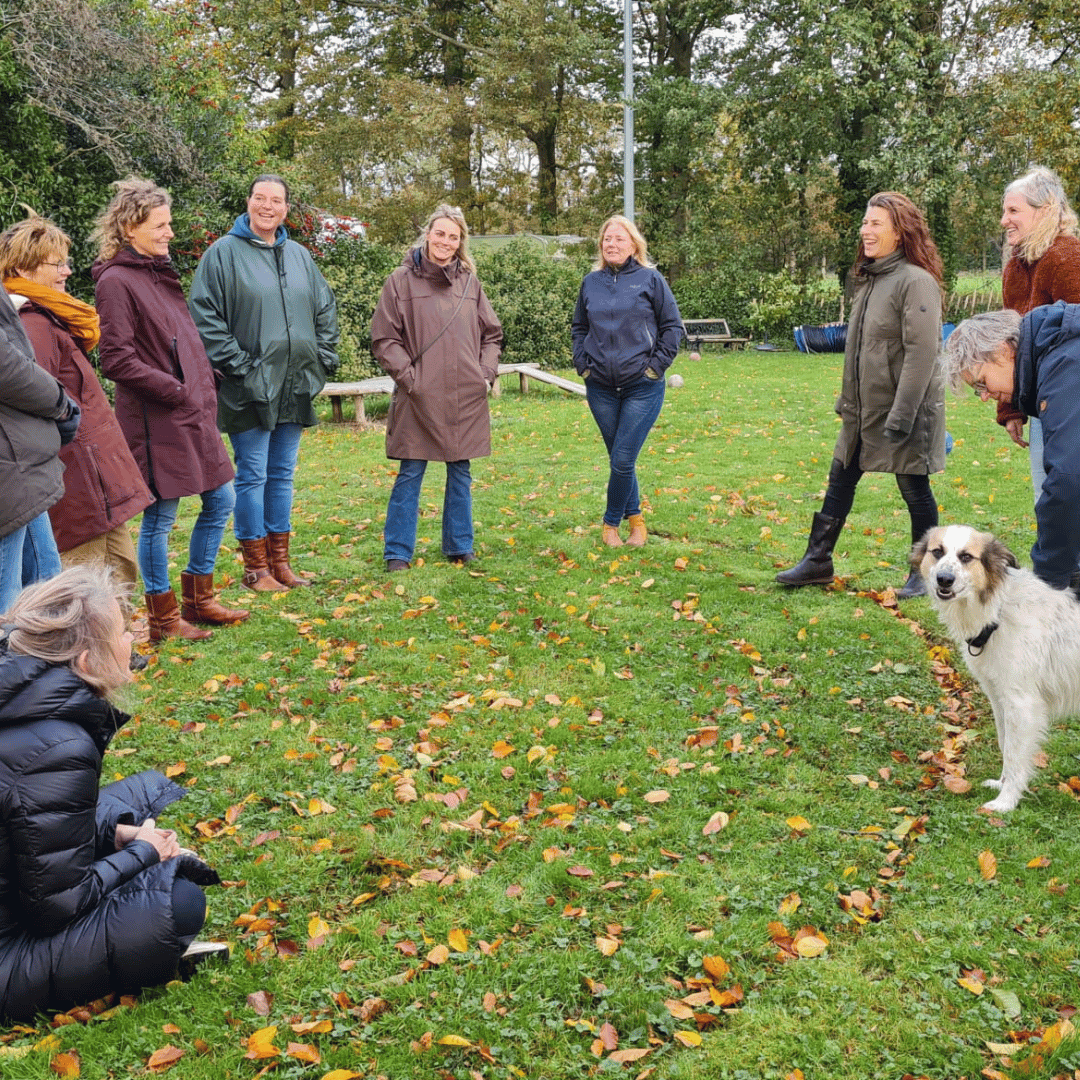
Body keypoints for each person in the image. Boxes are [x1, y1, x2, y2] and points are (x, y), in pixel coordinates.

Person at [0, 566, 222, 1021]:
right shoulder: (59, 746)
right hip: (7, 952)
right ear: (85, 662)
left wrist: (112, 835)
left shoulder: (20, 695)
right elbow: (58, 908)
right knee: (178, 903)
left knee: (133, 799)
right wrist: (142, 854)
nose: (132, 644)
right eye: (123, 633)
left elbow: (25, 817)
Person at [92, 178, 247, 642]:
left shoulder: (157, 272)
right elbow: (116, 359)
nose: (170, 233)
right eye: (161, 225)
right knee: (160, 516)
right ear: (130, 227)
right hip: (156, 418)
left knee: (222, 498)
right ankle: (163, 619)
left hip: (191, 410)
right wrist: (177, 389)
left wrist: (203, 380)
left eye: (169, 223)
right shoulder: (117, 281)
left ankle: (199, 598)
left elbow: (180, 341)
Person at [776, 192, 946, 598]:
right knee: (840, 478)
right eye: (865, 223)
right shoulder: (872, 279)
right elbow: (860, 349)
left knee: (913, 488)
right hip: (862, 411)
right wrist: (846, 402)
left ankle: (925, 573)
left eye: (875, 224)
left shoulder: (916, 282)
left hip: (901, 411)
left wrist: (902, 415)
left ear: (899, 233)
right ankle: (818, 561)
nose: (865, 231)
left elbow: (922, 354)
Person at [189, 174, 340, 591]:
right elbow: (205, 319)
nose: (267, 206)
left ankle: (282, 563)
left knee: (283, 474)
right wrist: (243, 367)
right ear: (248, 202)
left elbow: (325, 308)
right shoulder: (222, 255)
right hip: (248, 387)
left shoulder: (299, 256)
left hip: (296, 384)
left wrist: (321, 360)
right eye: (260, 198)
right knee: (253, 474)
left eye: (276, 200)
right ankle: (256, 567)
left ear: (287, 209)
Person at [1, 209, 153, 594]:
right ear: (22, 269)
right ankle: (94, 654)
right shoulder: (33, 324)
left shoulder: (52, 316)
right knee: (81, 589)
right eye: (57, 264)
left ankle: (118, 649)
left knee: (118, 574)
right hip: (76, 485)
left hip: (97, 477)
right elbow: (34, 405)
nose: (67, 271)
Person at [370, 203, 503, 571]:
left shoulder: (470, 283)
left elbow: (492, 334)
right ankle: (398, 552)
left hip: (465, 394)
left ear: (460, 243)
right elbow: (384, 338)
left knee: (460, 471)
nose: (445, 241)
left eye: (453, 236)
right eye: (440, 233)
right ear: (428, 234)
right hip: (419, 395)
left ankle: (459, 545)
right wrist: (412, 381)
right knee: (410, 473)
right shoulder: (399, 281)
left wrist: (485, 374)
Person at [940, 303, 1080, 589]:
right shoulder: (1056, 356)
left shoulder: (1064, 367)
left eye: (981, 383)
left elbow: (1067, 479)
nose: (984, 396)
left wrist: (1048, 581)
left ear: (1003, 350)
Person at [571, 215, 682, 548]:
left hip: (642, 387)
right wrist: (583, 366)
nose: (612, 244)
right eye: (607, 239)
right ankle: (636, 522)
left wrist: (654, 369)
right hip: (601, 387)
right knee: (622, 458)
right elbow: (579, 327)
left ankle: (609, 525)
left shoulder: (650, 279)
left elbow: (673, 328)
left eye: (619, 239)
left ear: (634, 245)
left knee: (621, 459)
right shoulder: (590, 282)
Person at [995, 167, 1080, 496]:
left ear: (1046, 210)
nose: (1004, 220)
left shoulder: (1067, 257)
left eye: (1013, 210)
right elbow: (1011, 344)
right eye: (1004, 211)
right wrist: (1011, 407)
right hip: (1044, 402)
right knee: (1046, 495)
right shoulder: (1017, 265)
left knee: (1063, 496)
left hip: (1070, 405)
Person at [0, 284, 78, 614]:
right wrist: (59, 403)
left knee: (48, 587)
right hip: (11, 462)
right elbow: (8, 368)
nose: (66, 270)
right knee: (11, 604)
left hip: (23, 461)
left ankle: (64, 659)